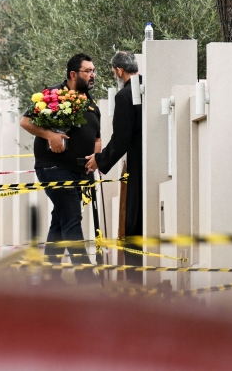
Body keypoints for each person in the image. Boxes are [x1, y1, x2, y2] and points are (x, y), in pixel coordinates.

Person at [19, 53, 101, 277]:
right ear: (73, 74)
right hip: (53, 167)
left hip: (78, 171)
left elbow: (96, 138)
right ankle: (85, 277)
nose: (93, 75)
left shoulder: (92, 103)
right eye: (88, 71)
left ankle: (50, 274)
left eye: (94, 71)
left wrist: (96, 158)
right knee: (72, 217)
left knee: (61, 219)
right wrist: (49, 136)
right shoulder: (53, 95)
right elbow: (25, 121)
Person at [85, 51, 143, 281]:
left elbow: (121, 139)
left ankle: (134, 277)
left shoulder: (124, 96)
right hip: (154, 162)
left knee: (134, 219)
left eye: (113, 72)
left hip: (138, 165)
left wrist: (99, 160)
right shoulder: (148, 89)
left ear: (119, 70)